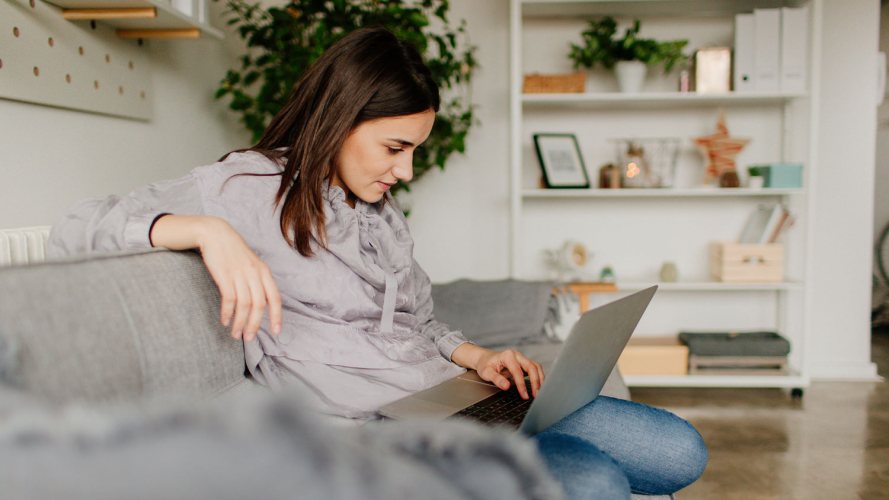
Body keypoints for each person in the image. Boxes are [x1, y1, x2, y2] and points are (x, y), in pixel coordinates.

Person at [47, 27, 706, 499]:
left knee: (681, 451)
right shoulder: (243, 190)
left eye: (414, 149)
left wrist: (472, 357)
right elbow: (74, 229)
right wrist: (201, 230)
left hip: (448, 397)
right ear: (339, 120)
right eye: (395, 147)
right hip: (375, 429)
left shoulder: (380, 217)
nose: (406, 169)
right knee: (594, 482)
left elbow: (416, 321)